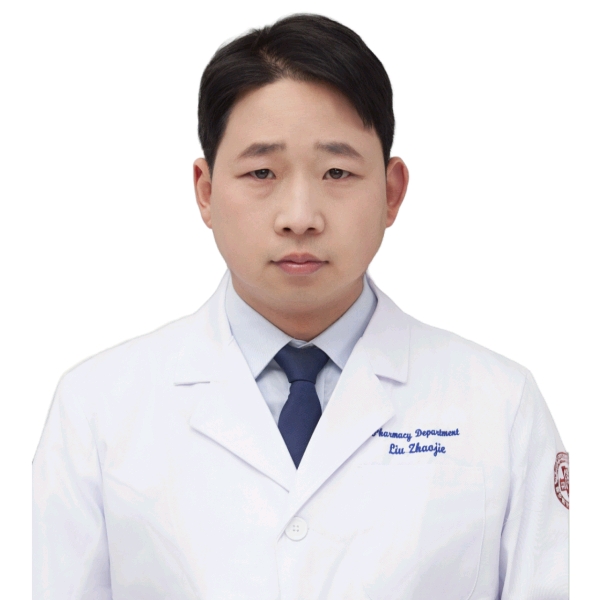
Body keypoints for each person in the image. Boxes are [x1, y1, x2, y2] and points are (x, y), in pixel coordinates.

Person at [32, 13, 568, 600]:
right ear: (205, 191)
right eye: (261, 171)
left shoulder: (500, 406)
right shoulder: (97, 410)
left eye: (337, 171)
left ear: (391, 192)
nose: (300, 216)